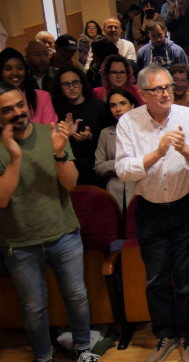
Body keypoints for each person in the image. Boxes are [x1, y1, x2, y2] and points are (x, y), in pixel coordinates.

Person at [115, 65, 189, 362]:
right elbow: (123, 170)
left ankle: (187, 335)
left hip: (185, 207)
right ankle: (165, 335)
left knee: (184, 276)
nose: (166, 92)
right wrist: (156, 154)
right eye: (158, 89)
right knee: (156, 278)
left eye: (168, 86)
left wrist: (185, 151)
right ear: (142, 93)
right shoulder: (128, 122)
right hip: (149, 210)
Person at [0, 82, 100, 362]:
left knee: (77, 296)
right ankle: (43, 358)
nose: (17, 112)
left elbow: (70, 184)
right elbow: (2, 199)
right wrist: (15, 158)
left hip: (63, 233)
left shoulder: (52, 133)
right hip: (20, 242)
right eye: (7, 110)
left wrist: (59, 153)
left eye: (20, 105)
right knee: (34, 307)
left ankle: (83, 351)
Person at [51, 66, 109, 186]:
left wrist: (90, 136)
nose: (71, 88)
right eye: (66, 84)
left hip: (96, 169)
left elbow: (110, 140)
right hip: (69, 169)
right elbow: (52, 148)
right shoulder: (56, 110)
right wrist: (66, 135)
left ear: (82, 83)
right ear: (60, 88)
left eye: (75, 82)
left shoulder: (99, 107)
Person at [94, 88, 140, 210]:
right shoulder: (105, 133)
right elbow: (98, 167)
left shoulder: (144, 131)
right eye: (113, 105)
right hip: (114, 192)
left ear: (132, 106)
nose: (118, 109)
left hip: (139, 191)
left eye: (123, 103)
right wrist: (121, 164)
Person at [0, 47, 57, 124]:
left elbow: (49, 129)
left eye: (20, 68)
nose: (15, 73)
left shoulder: (42, 97)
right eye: (8, 69)